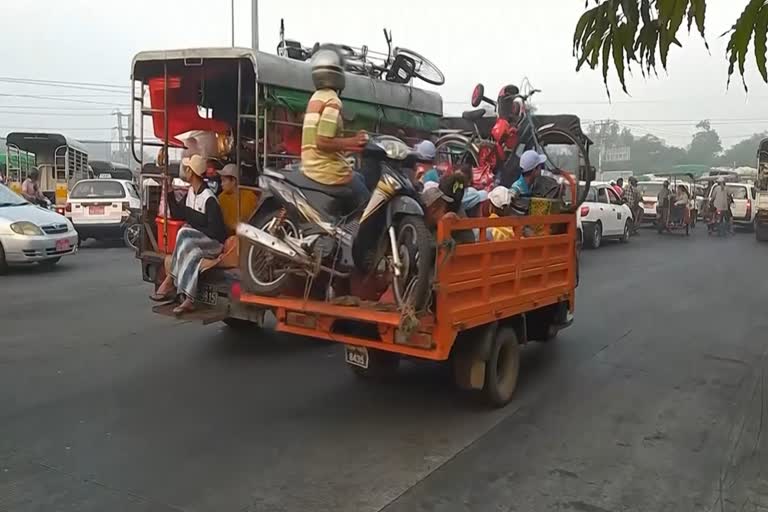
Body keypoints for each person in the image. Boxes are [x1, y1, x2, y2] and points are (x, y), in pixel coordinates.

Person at [150, 155, 227, 315]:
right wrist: (169, 190)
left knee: (184, 232)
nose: (184, 171)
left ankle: (171, 279)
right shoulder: (191, 192)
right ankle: (188, 299)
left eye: (187, 168)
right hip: (197, 243)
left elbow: (216, 232)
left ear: (191, 172)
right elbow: (178, 212)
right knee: (192, 253)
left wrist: (192, 219)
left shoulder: (209, 199)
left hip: (214, 244)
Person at [300, 45, 369, 210]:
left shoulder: (316, 98)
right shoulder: (333, 101)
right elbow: (322, 141)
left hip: (310, 165)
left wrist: (352, 142)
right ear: (339, 74)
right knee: (367, 202)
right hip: (325, 170)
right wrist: (354, 140)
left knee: (359, 177)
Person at [217, 164, 259, 235]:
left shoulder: (250, 196)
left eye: (224, 181)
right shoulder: (221, 198)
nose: (221, 184)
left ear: (233, 181)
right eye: (221, 181)